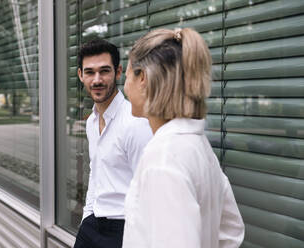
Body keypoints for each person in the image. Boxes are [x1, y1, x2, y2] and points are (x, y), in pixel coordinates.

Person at [122, 28, 245, 247]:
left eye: (128, 75)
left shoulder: (163, 160)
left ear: (144, 79)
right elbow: (231, 233)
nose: (125, 86)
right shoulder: (198, 147)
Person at [73, 39, 152, 248]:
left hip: (123, 231)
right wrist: (86, 217)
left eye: (104, 71)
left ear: (118, 72)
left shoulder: (135, 123)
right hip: (92, 224)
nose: (97, 80)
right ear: (81, 75)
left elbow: (149, 193)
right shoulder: (91, 121)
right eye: (89, 72)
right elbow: (96, 173)